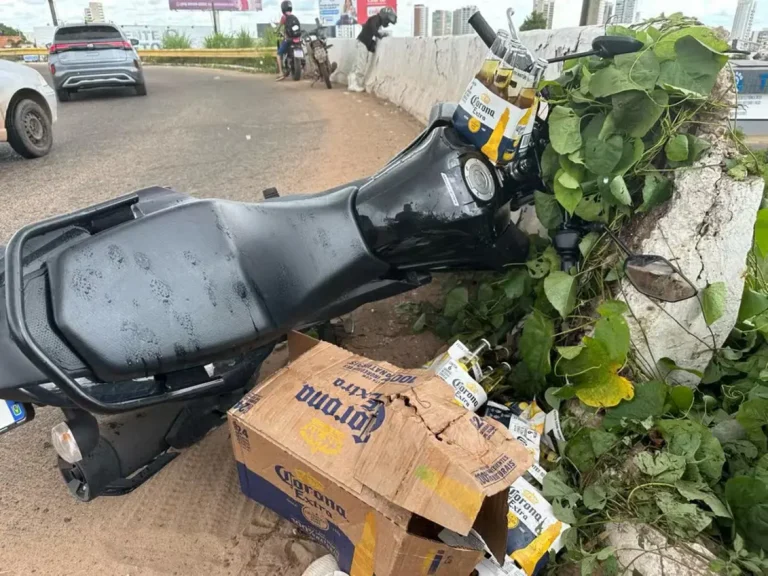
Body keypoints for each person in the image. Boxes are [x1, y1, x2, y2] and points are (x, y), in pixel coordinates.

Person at [347, 6, 396, 92]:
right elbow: (372, 28)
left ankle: (352, 84)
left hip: (362, 42)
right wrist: (379, 35)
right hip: (362, 43)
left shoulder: (376, 21)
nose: (387, 23)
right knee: (360, 65)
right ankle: (355, 84)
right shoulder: (375, 19)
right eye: (387, 20)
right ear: (384, 17)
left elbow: (370, 32)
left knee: (357, 64)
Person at [275, 0, 295, 81]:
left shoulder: (284, 17)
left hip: (288, 40)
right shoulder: (294, 17)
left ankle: (281, 73)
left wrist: (276, 31)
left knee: (278, 54)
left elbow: (278, 28)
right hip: (296, 40)